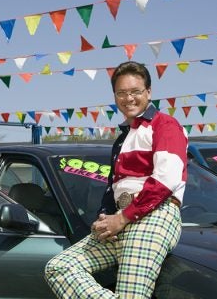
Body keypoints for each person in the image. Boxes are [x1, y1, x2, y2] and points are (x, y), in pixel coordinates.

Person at [45, 61, 188, 299]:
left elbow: (165, 181)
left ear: (149, 93)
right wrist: (105, 217)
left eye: (135, 92)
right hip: (123, 219)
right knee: (60, 268)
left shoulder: (165, 125)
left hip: (154, 216)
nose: (128, 98)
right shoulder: (123, 137)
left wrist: (122, 218)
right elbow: (113, 186)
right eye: (121, 93)